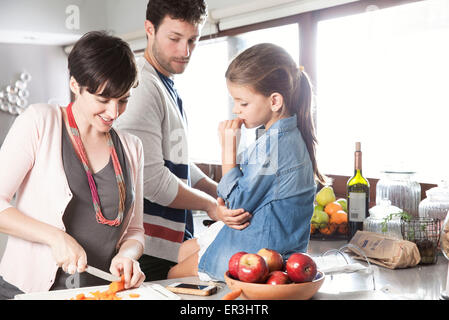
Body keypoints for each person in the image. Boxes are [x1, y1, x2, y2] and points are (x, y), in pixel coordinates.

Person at [0, 31, 145, 299]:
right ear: (75, 85)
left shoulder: (132, 147)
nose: (114, 113)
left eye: (123, 100)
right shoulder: (40, 122)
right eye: (103, 100)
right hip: (25, 291)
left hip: (97, 292)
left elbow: (135, 232)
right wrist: (55, 237)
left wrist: (127, 256)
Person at [114, 0, 251, 281]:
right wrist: (211, 205)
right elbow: (150, 179)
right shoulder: (142, 88)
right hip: (147, 248)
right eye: (175, 38)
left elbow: (177, 160)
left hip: (167, 245)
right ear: (149, 29)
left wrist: (218, 191)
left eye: (193, 40)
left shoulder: (164, 83)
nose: (185, 51)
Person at [167, 43, 327, 281]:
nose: (235, 110)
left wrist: (228, 151)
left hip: (260, 251)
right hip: (266, 240)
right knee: (181, 252)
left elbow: (237, 205)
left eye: (243, 103)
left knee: (173, 274)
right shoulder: (276, 136)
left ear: (274, 102)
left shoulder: (274, 145)